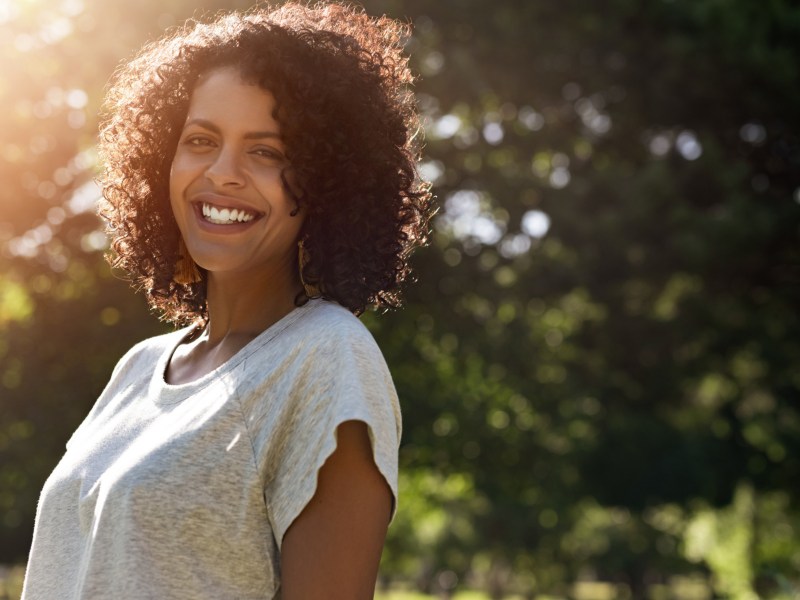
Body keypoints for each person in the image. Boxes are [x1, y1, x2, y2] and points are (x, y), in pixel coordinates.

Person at [21, 2, 433, 599]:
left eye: (265, 151)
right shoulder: (138, 369)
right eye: (200, 140)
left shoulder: (328, 360)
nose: (223, 173)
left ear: (327, 180)